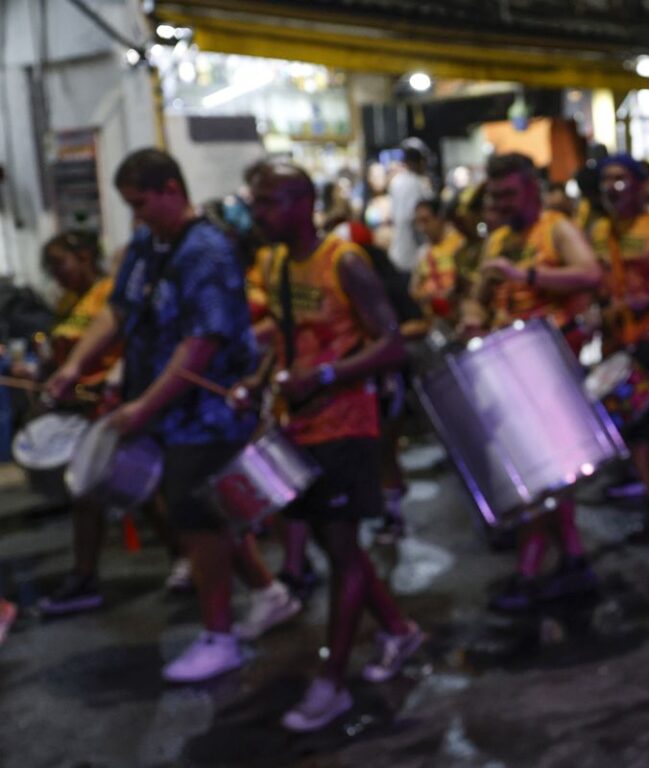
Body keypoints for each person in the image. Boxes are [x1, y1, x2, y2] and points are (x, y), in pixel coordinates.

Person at [45, 148, 300, 683]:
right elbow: (119, 310)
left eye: (141, 203)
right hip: (170, 406)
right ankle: (269, 593)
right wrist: (75, 365)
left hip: (206, 408)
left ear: (170, 190)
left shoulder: (205, 251)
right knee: (202, 511)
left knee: (196, 517)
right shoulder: (146, 244)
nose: (135, 215)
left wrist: (144, 406)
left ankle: (219, 637)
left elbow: (201, 344)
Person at [245, 162, 423, 731]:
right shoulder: (275, 263)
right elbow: (286, 333)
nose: (258, 214)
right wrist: (256, 378)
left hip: (346, 425)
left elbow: (392, 344)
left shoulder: (344, 261)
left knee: (342, 550)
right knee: (333, 544)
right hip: (301, 428)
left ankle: (333, 683)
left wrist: (323, 378)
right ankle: (398, 631)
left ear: (302, 203)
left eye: (269, 202)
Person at [460, 153, 604, 611]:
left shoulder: (555, 227)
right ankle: (571, 559)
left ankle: (534, 565)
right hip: (506, 367)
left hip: (549, 362)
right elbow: (477, 298)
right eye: (495, 194)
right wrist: (472, 319)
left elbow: (589, 273)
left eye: (508, 193)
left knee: (547, 470)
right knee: (537, 471)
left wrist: (525, 275)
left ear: (532, 189)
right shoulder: (498, 238)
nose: (500, 203)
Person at [32, 232, 186, 616]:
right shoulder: (68, 303)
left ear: (85, 255)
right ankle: (183, 556)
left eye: (60, 264)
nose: (57, 275)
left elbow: (130, 346)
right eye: (50, 269)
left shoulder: (110, 293)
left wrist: (110, 384)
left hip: (119, 404)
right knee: (118, 491)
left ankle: (194, 558)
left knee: (128, 489)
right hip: (88, 410)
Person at [591, 155, 649, 554]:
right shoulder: (597, 231)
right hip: (617, 341)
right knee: (634, 430)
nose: (612, 186)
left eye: (620, 178)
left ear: (637, 183)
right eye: (606, 179)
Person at [408, 196, 467, 325]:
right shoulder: (423, 253)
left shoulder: (459, 244)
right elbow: (414, 290)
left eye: (426, 221)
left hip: (459, 314)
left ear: (440, 219)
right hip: (434, 321)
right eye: (419, 222)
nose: (422, 228)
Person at [386, 138, 433, 274]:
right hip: (414, 256)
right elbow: (415, 221)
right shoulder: (418, 184)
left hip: (397, 252)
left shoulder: (396, 181)